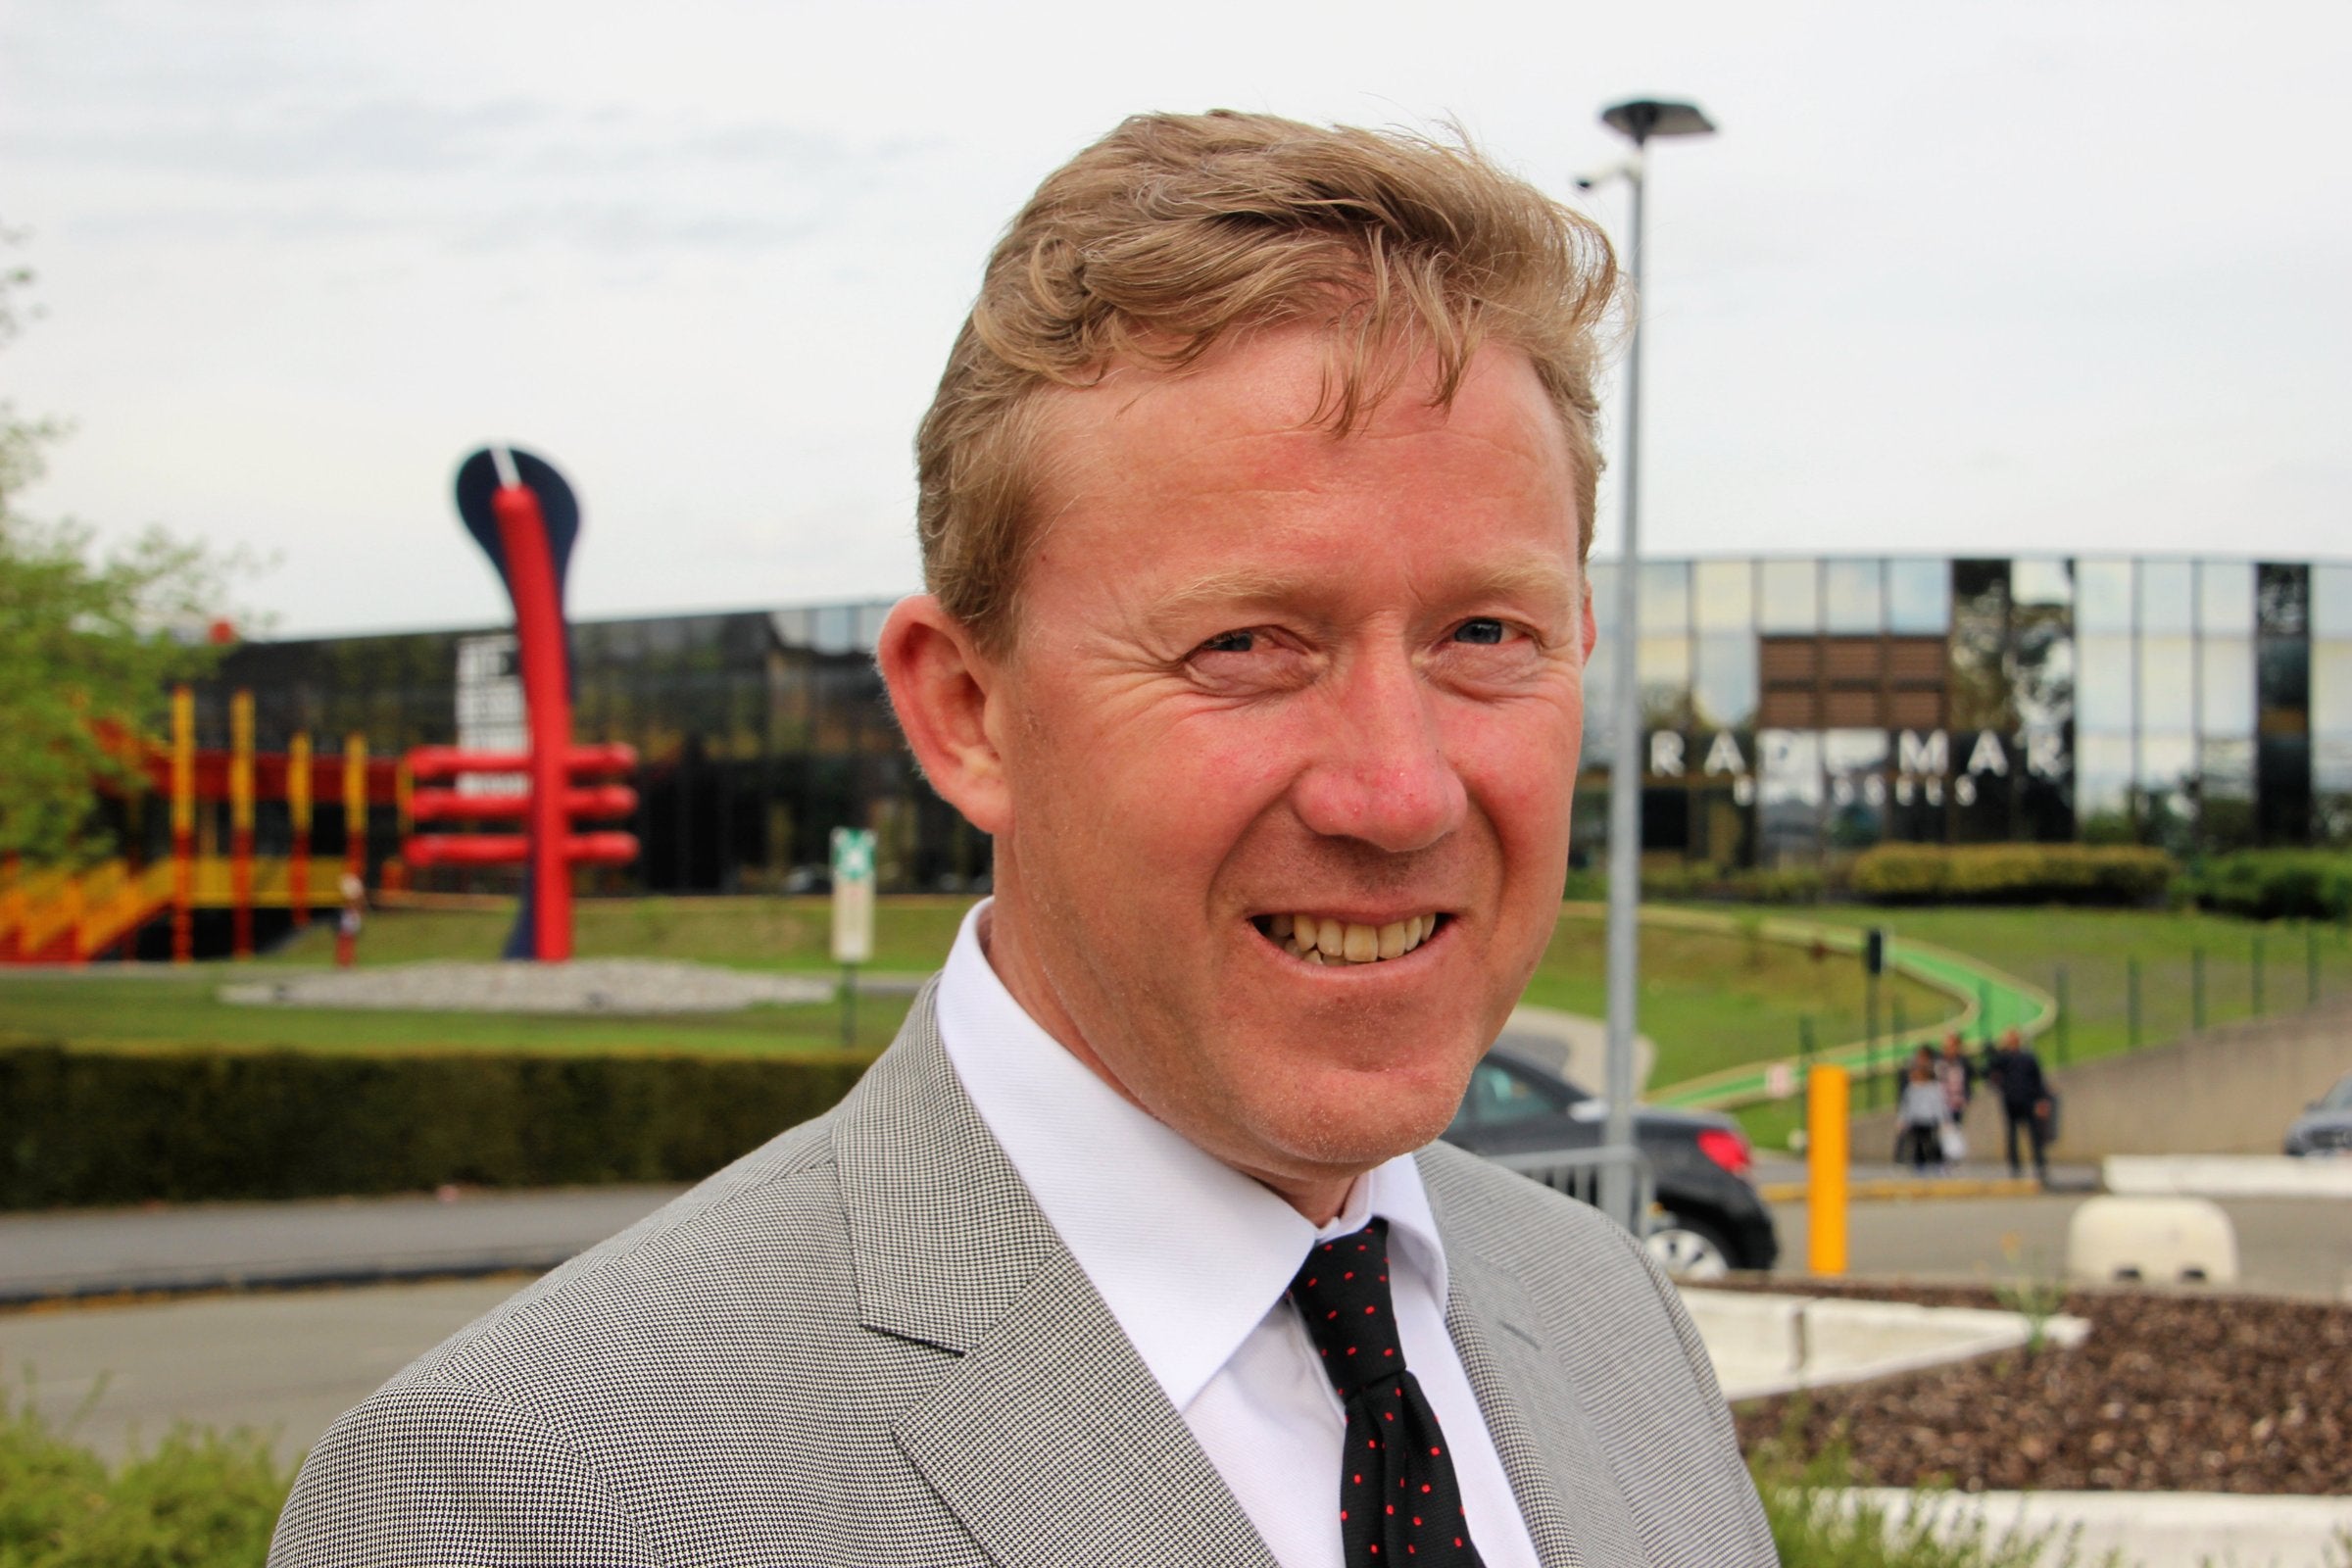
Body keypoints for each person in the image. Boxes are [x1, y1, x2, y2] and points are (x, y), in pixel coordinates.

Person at [270, 112, 1774, 1568]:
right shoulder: (526, 1499)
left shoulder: (1608, 1317)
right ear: (966, 714)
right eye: (1246, 644)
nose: (1401, 793)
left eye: (1486, 635)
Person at [1986, 1027, 2053, 1182]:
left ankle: (2039, 1164)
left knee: (2034, 1134)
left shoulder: (2028, 1057)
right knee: (2012, 1134)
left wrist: (2042, 1099)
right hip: (2011, 1102)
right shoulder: (2003, 1059)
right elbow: (1989, 1071)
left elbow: (2038, 1079)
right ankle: (2015, 1166)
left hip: (2028, 1100)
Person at [1896, 1059, 1949, 1174]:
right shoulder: (1911, 1088)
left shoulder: (1933, 1088)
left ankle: (1939, 1163)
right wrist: (1902, 1119)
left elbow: (1939, 1105)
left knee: (1933, 1143)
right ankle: (1920, 1164)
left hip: (1930, 1119)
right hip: (1916, 1120)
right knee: (1918, 1143)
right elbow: (1906, 1106)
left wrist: (1943, 1120)